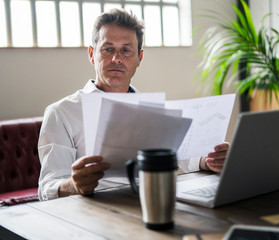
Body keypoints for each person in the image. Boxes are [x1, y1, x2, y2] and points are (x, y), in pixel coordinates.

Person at [38, 8, 229, 201]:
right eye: (108, 49)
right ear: (92, 54)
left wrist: (209, 160)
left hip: (151, 202)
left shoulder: (152, 110)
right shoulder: (61, 112)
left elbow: (184, 156)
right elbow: (47, 187)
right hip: (92, 208)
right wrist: (74, 185)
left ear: (139, 58)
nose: (117, 58)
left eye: (126, 50)